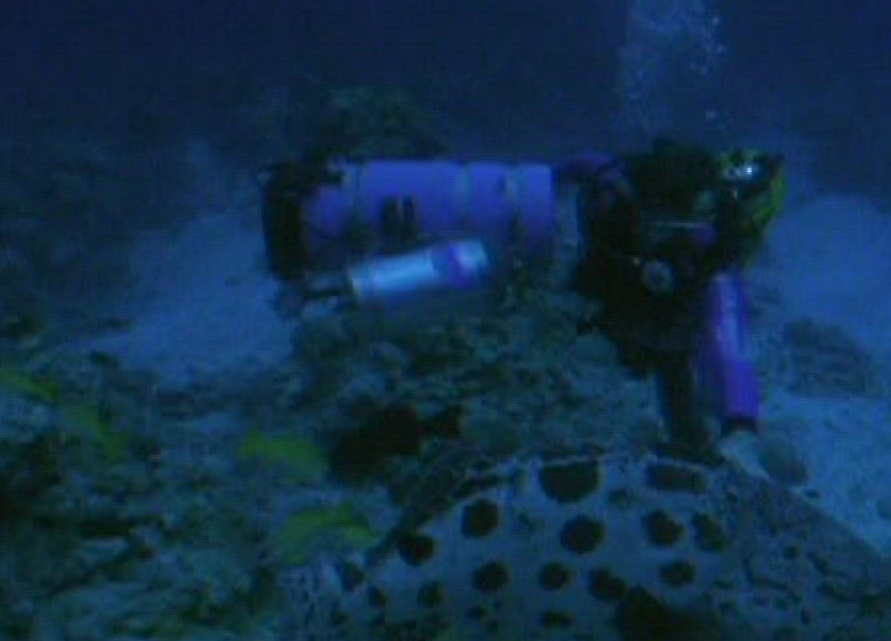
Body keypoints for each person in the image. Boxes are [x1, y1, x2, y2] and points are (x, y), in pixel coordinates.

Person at [260, 136, 785, 455]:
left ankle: (319, 229)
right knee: (458, 278)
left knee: (450, 251)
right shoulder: (709, 264)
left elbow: (582, 164)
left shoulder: (628, 185)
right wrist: (740, 424)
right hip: (538, 277)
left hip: (529, 211)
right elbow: (730, 349)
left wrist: (549, 187)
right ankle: (335, 298)